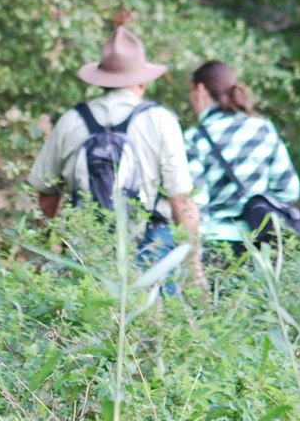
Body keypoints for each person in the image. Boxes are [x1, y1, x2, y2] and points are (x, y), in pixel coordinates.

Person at [28, 25, 201, 289]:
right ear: (142, 80)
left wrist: (46, 251)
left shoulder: (71, 120)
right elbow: (181, 200)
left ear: (101, 79)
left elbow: (47, 194)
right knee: (156, 326)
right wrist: (194, 270)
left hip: (85, 247)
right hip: (150, 247)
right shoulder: (160, 120)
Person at [184, 61, 300, 258]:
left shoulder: (194, 138)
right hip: (264, 244)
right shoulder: (263, 128)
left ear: (200, 89)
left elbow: (197, 203)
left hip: (219, 245)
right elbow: (289, 190)